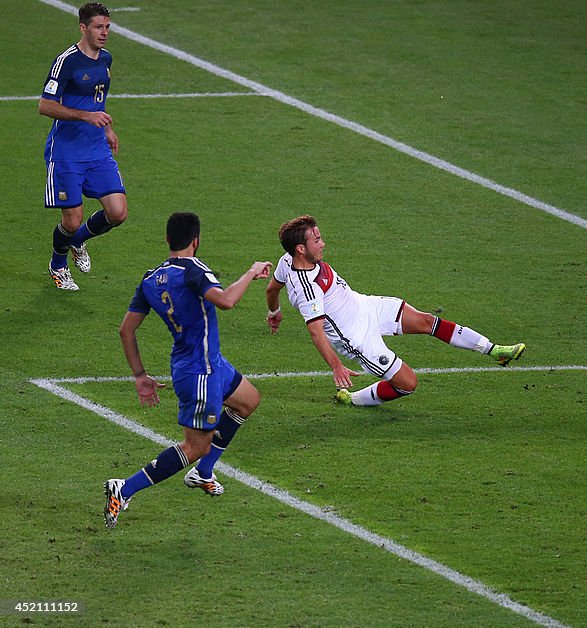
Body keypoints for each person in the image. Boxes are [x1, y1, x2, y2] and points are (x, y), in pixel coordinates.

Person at [104, 212, 272, 529]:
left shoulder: (151, 278)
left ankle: (203, 472)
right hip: (199, 374)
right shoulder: (193, 269)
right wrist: (251, 272)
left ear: (167, 240)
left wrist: (140, 376)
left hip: (207, 362)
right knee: (195, 446)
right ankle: (124, 488)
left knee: (248, 400)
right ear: (196, 241)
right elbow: (225, 301)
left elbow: (126, 330)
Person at [264, 215, 526, 407]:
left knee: (426, 320)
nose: (323, 244)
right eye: (317, 240)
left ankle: (494, 351)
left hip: (366, 305)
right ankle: (353, 399)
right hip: (356, 336)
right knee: (408, 383)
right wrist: (337, 366)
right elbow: (316, 332)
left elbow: (271, 288)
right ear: (301, 248)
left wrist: (275, 312)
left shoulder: (287, 260)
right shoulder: (307, 287)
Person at [40, 3, 127, 291]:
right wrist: (85, 116)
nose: (104, 33)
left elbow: (97, 102)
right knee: (72, 219)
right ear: (83, 27)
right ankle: (58, 263)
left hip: (96, 149)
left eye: (107, 27)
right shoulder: (67, 62)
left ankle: (78, 242)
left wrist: (107, 128)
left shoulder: (106, 59)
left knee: (118, 213)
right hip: (66, 152)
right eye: (98, 27)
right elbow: (45, 105)